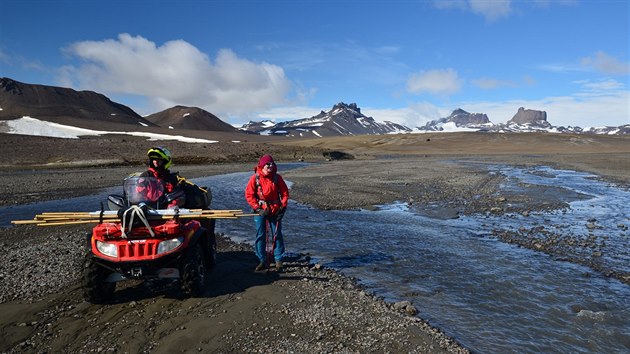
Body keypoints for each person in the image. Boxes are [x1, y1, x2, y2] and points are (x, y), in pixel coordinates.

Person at [244, 154, 290, 271]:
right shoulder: (255, 178)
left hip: (275, 210)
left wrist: (283, 207)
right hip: (260, 211)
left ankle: (278, 259)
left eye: (272, 163)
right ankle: (262, 260)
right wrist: (257, 208)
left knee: (277, 234)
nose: (270, 165)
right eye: (267, 164)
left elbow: (284, 193)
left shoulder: (277, 178)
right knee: (261, 235)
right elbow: (249, 195)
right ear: (262, 165)